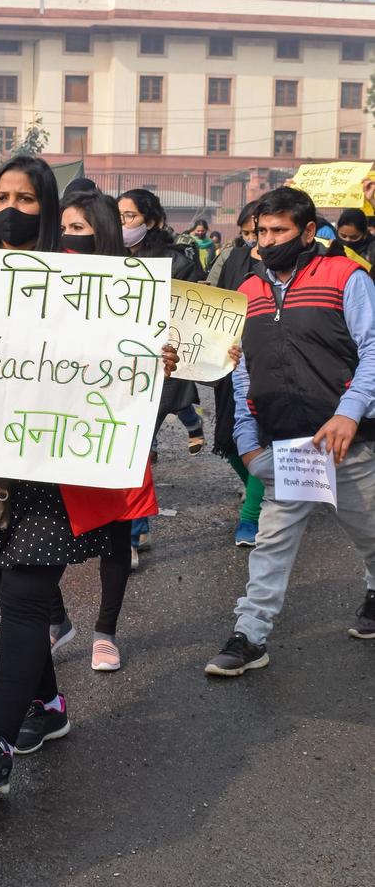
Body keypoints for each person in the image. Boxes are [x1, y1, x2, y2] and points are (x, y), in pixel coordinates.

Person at [0, 156, 170, 795]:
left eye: (26, 198)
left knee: (22, 600)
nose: (10, 209)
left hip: (51, 467)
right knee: (13, 594)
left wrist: (149, 359)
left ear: (49, 210)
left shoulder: (84, 285)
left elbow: (114, 367)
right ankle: (47, 706)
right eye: (0, 198)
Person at [205, 187, 375, 676]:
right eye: (262, 231)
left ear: (306, 232)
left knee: (370, 535)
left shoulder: (346, 277)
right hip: (290, 448)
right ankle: (250, 635)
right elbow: (242, 372)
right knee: (271, 544)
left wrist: (349, 413)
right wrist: (248, 441)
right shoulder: (248, 293)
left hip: (349, 445)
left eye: (279, 231)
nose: (268, 240)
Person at [47, 187, 168, 672]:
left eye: (79, 228)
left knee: (119, 533)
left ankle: (105, 633)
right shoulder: (41, 279)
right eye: (64, 228)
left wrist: (165, 358)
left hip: (114, 422)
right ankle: (56, 620)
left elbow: (157, 351)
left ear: (106, 232)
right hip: (50, 424)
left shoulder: (136, 287)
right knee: (39, 529)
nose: (68, 237)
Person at [119, 189, 205, 560]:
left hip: (160, 370)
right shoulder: (107, 257)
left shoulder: (178, 263)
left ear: (151, 221)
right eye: (118, 216)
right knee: (127, 450)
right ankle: (138, 525)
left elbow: (196, 317)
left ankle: (132, 536)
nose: (122, 225)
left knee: (136, 449)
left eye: (130, 217)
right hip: (115, 370)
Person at [211, 200, 265, 547]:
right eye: (247, 234)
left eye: (259, 232)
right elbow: (212, 298)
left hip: (269, 364)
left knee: (261, 441)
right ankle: (261, 489)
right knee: (230, 442)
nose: (255, 240)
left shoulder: (292, 264)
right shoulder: (232, 258)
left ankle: (251, 518)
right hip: (229, 363)